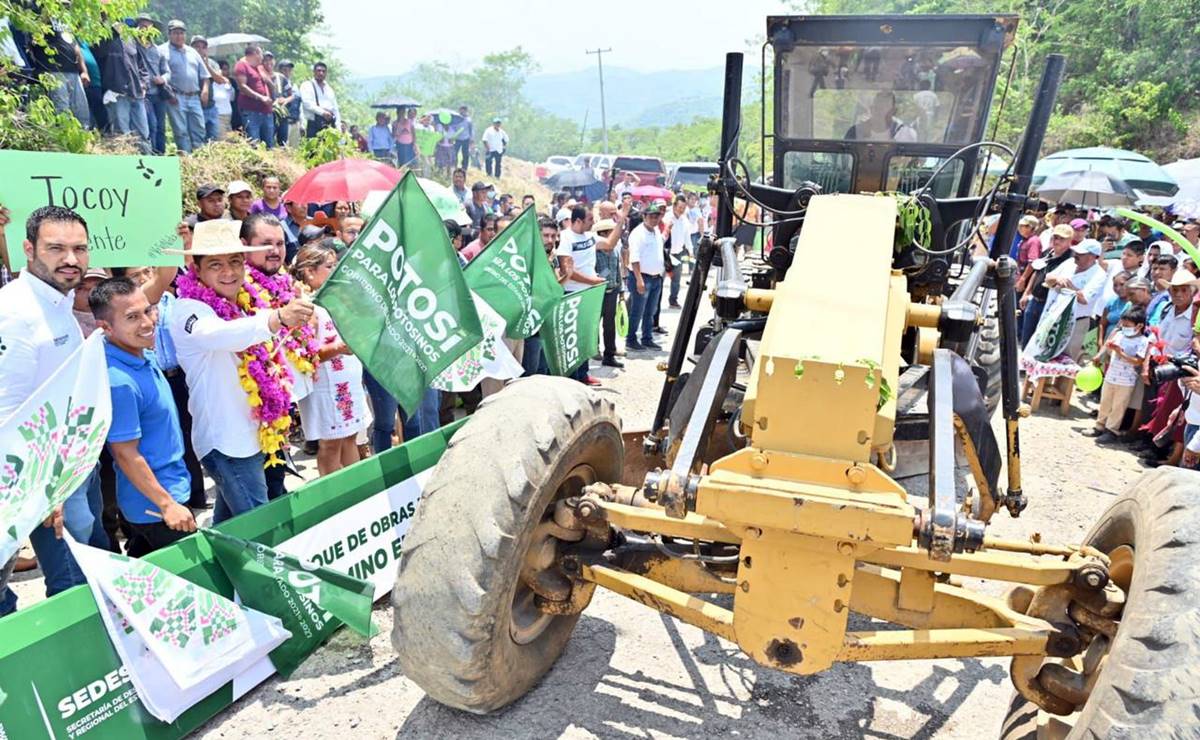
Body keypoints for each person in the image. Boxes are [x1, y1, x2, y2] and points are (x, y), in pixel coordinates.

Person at [167, 220, 314, 523]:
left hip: (254, 437)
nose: (229, 272)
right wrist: (276, 319)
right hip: (227, 442)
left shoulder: (246, 305)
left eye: (235, 262)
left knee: (230, 526)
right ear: (196, 269)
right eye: (216, 264)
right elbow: (217, 334)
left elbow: (265, 344)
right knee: (259, 526)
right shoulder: (188, 310)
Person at [0, 206, 104, 615]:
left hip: (75, 464)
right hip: (40, 481)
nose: (71, 259)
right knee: (69, 585)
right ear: (29, 249)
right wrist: (46, 490)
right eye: (56, 248)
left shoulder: (59, 301)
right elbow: (7, 413)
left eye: (79, 248)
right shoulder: (14, 314)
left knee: (81, 569)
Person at [90, 277, 197, 555]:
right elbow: (125, 453)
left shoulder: (140, 352)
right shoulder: (120, 382)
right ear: (106, 327)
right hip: (155, 507)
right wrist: (167, 505)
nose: (147, 322)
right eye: (132, 317)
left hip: (168, 491)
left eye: (148, 310)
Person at [239, 214, 319, 498]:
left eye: (280, 243)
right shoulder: (236, 287)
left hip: (282, 404)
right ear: (243, 245)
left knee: (272, 481)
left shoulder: (286, 282)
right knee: (262, 490)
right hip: (251, 410)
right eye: (265, 244)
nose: (275, 250)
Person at [291, 242, 367, 476]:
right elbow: (304, 354)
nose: (336, 271)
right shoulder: (305, 305)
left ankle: (356, 490)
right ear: (310, 272)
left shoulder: (336, 298)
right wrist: (338, 348)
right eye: (329, 267)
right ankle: (336, 494)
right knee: (331, 442)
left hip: (349, 379)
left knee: (351, 436)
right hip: (326, 384)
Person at [557, 205, 621, 386]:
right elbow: (567, 270)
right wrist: (593, 281)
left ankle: (583, 375)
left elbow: (609, 244)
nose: (593, 223)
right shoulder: (566, 238)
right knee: (573, 337)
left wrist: (621, 221)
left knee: (586, 335)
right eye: (590, 220)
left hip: (589, 293)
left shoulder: (590, 236)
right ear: (578, 221)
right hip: (572, 293)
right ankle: (573, 378)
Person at [1081, 306, 1149, 443]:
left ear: (1139, 325)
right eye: (1123, 324)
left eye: (1127, 325)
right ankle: (1099, 426)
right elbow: (1107, 347)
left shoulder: (1143, 341)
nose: (1124, 327)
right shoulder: (1119, 334)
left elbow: (1138, 361)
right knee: (1105, 402)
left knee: (1118, 406)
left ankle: (1111, 430)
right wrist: (1099, 356)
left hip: (1126, 381)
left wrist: (1120, 352)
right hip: (1111, 375)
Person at [26, 12, 90, 128]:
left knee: (81, 107)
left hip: (73, 72)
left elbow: (76, 48)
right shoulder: (42, 15)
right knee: (61, 108)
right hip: (53, 71)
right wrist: (46, 13)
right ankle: (63, 138)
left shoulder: (66, 20)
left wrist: (84, 71)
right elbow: (32, 41)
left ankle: (83, 138)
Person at [156, 20, 209, 153]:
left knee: (199, 130)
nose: (179, 36)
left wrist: (205, 91)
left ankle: (200, 160)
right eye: (175, 33)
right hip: (175, 97)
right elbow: (159, 75)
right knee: (181, 131)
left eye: (181, 33)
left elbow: (205, 75)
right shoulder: (162, 50)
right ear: (169, 34)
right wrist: (168, 94)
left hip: (194, 96)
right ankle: (186, 161)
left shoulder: (192, 52)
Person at [95, 21, 150, 151]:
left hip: (136, 93)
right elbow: (98, 55)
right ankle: (125, 164)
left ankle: (147, 163)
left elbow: (142, 66)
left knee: (143, 133)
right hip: (116, 93)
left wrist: (143, 84)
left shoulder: (130, 38)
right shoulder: (103, 37)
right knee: (121, 134)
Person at [1019, 223, 1073, 347]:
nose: (1057, 241)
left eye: (1061, 238)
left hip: (1050, 305)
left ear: (1069, 241)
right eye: (1055, 237)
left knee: (1039, 342)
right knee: (1026, 339)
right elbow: (1037, 272)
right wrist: (1027, 293)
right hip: (1034, 301)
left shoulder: (1071, 258)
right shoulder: (1047, 252)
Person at [626, 202, 667, 352]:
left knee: (651, 310)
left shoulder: (655, 231)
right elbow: (634, 259)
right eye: (651, 216)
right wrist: (639, 280)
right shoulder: (638, 233)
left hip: (656, 277)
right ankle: (631, 339)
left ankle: (647, 338)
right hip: (642, 277)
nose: (654, 219)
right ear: (644, 216)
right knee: (637, 310)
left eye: (657, 216)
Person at [593, 216, 624, 369]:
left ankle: (609, 354)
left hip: (612, 291)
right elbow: (594, 274)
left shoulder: (616, 251)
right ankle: (594, 349)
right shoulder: (593, 252)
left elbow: (618, 270)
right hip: (598, 292)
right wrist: (605, 274)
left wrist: (621, 290)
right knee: (594, 323)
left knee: (609, 325)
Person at [234, 44, 273, 147]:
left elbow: (270, 82)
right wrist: (261, 97)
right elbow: (242, 86)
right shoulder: (241, 65)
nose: (262, 57)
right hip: (251, 111)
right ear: (255, 53)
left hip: (266, 110)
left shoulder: (259, 68)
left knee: (269, 143)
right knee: (254, 143)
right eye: (261, 53)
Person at [190, 35, 226, 142]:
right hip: (195, 105)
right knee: (198, 138)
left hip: (211, 107)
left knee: (214, 138)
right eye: (197, 46)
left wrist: (206, 65)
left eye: (203, 47)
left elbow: (220, 80)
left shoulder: (212, 63)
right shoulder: (189, 62)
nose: (200, 49)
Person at [844, 90, 917, 142]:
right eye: (876, 107)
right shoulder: (854, 132)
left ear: (894, 111)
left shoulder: (905, 134)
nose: (878, 111)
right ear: (871, 109)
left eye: (883, 107)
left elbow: (913, 161)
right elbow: (844, 160)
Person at [664, 195, 692, 308]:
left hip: (678, 253)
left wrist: (690, 250)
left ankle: (673, 300)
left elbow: (687, 237)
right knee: (660, 278)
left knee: (676, 279)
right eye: (680, 207)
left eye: (684, 208)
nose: (681, 210)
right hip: (666, 253)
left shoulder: (684, 220)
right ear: (674, 206)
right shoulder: (667, 218)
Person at [300, 61, 339, 137]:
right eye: (319, 71)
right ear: (314, 72)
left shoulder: (329, 89)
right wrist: (323, 112)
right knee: (313, 147)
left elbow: (335, 108)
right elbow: (307, 104)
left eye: (323, 71)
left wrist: (338, 126)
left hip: (328, 124)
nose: (321, 73)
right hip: (312, 124)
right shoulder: (307, 85)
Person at [211, 58, 234, 137]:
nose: (226, 72)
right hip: (219, 116)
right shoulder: (212, 85)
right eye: (224, 70)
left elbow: (232, 98)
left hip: (228, 116)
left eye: (227, 70)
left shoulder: (227, 83)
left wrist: (229, 85)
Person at [451, 105, 473, 170]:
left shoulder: (469, 119)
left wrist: (471, 139)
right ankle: (455, 165)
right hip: (457, 138)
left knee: (465, 153)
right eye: (461, 110)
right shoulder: (456, 118)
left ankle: (464, 167)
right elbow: (453, 127)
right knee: (455, 152)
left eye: (464, 110)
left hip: (466, 138)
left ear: (466, 111)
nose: (462, 112)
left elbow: (471, 129)